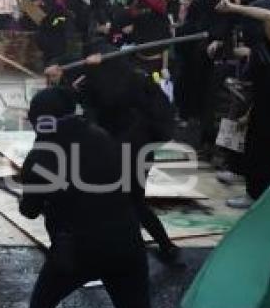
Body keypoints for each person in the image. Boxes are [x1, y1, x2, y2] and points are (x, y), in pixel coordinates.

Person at [2, 87, 172, 308]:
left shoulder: (43, 152)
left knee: (43, 301)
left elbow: (29, 211)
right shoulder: (102, 137)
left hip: (76, 250)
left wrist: (29, 189)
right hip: (126, 244)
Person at [46, 44, 182, 265]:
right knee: (131, 201)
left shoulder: (109, 83)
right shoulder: (132, 77)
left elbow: (76, 105)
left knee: (124, 200)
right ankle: (161, 247)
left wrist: (63, 81)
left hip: (123, 151)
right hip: (136, 151)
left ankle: (150, 247)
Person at [215, 0, 270, 208]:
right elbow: (238, 54)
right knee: (255, 154)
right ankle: (255, 195)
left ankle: (267, 198)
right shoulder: (259, 51)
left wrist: (234, 7)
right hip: (263, 110)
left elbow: (269, 16)